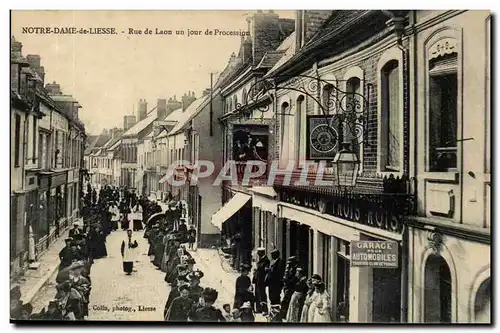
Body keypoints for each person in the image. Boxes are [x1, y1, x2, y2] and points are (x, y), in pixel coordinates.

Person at [253, 247, 270, 314]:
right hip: (258, 280)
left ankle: (264, 310)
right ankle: (258, 308)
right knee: (257, 294)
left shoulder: (266, 260)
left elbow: (264, 270)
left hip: (262, 280)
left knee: (262, 294)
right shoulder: (260, 259)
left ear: (261, 252)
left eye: (258, 252)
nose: (257, 253)